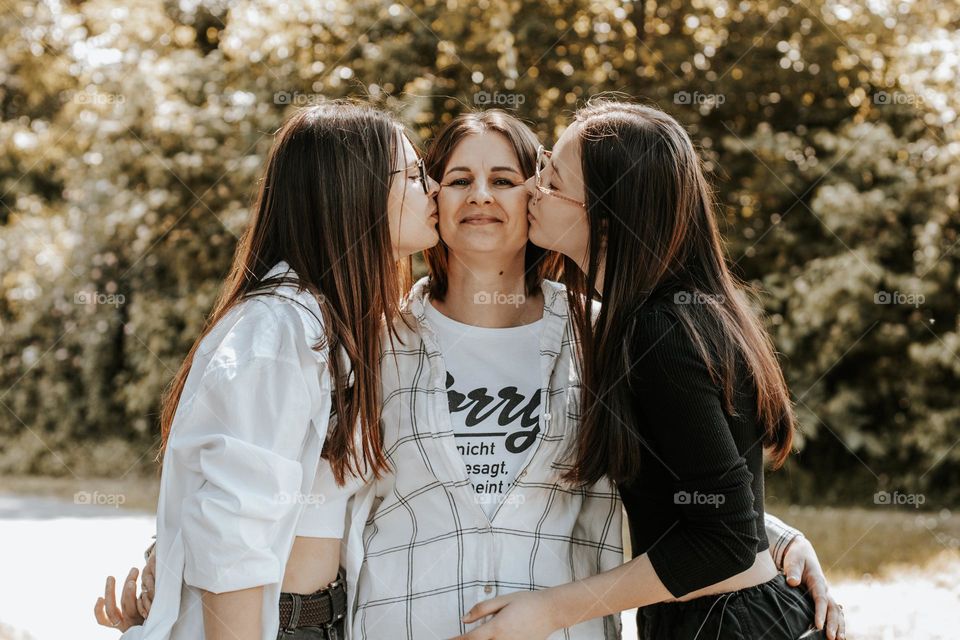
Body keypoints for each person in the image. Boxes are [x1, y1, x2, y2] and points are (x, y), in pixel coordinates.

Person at [456, 100, 845, 640]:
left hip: (725, 624)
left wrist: (548, 611)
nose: (533, 187)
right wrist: (784, 540)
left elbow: (728, 537)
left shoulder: (659, 330)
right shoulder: (674, 313)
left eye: (553, 179)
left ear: (607, 218)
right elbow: (717, 498)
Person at [92, 101, 440, 640]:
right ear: (353, 190)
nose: (433, 188)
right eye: (414, 175)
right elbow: (232, 526)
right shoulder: (278, 328)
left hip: (324, 620)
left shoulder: (341, 325)